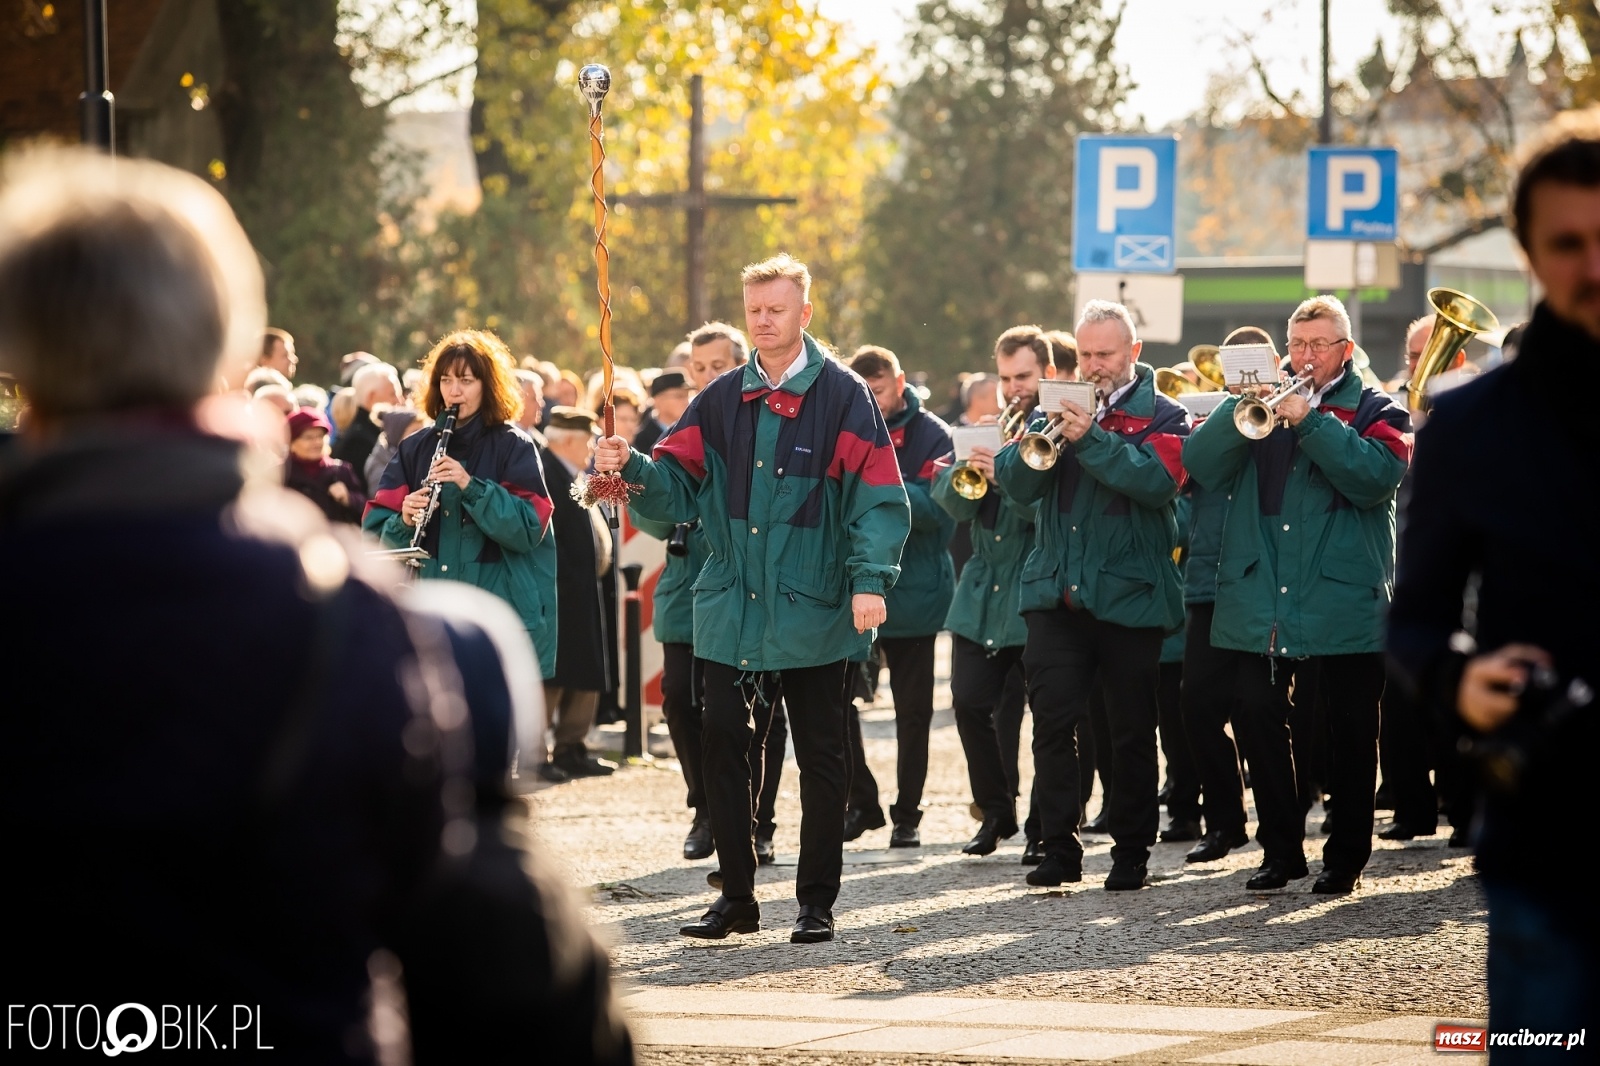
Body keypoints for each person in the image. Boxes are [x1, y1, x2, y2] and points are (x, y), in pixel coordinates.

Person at [0, 146, 631, 1064]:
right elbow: (510, 987)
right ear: (224, 344)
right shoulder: (360, 622)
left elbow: (534, 527)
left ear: (20, 359)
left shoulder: (502, 457)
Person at [593, 254, 910, 944]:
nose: (764, 320)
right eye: (755, 310)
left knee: (822, 756)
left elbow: (879, 497)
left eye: (776, 309)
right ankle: (736, 897)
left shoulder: (845, 396)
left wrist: (869, 580)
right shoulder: (718, 399)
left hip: (816, 604)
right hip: (731, 603)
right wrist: (632, 467)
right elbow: (675, 490)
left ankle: (816, 903)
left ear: (805, 312)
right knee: (722, 749)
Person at [1390, 109, 1600, 1054]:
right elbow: (1414, 622)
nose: (1592, 265)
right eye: (1566, 244)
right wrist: (1459, 680)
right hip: (1547, 832)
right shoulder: (1469, 425)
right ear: (1527, 252)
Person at [1185, 294, 1409, 896]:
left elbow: (1373, 479)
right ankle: (1280, 851)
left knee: (1351, 731)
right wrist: (1238, 406)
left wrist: (1309, 421)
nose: (1305, 356)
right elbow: (1200, 465)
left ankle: (1345, 859)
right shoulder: (1257, 404)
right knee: (1255, 715)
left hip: (1342, 593)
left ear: (1346, 349)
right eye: (1298, 344)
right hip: (1263, 592)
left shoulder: (1378, 409)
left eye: (1318, 345)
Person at [994, 302, 1189, 891]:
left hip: (1130, 595)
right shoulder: (1054, 406)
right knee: (1053, 723)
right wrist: (1036, 438)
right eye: (1085, 354)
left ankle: (1132, 851)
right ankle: (1059, 848)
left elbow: (1157, 485)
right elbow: (1016, 485)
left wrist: (1094, 438)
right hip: (1056, 592)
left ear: (1133, 352)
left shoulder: (1165, 414)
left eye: (1105, 354)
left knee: (1130, 730)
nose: (1094, 365)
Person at [630, 322, 789, 865]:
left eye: (718, 366)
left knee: (760, 713)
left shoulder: (764, 414)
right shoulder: (685, 427)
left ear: (743, 363)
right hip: (687, 585)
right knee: (679, 698)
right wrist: (640, 484)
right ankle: (705, 809)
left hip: (750, 588)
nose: (705, 377)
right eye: (698, 369)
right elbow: (653, 518)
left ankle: (758, 821)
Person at [364, 330, 558, 682]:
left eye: (466, 381)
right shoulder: (414, 449)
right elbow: (374, 538)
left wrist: (471, 487)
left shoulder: (515, 446)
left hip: (495, 618)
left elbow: (529, 528)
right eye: (446, 380)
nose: (454, 391)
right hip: (428, 615)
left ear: (488, 386)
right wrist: (404, 520)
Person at [932, 326, 1053, 858]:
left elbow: (1050, 513)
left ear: (1048, 373)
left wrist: (1004, 475)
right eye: (1005, 378)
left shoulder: (1056, 429)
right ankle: (996, 810)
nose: (1013, 388)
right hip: (981, 592)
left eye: (1023, 376)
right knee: (967, 701)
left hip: (1034, 588)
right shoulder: (993, 427)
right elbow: (952, 505)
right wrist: (969, 462)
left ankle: (1044, 825)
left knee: (1049, 718)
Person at [843, 345, 955, 848]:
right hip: (854, 592)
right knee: (838, 705)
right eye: (864, 392)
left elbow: (940, 511)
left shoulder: (934, 434)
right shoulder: (847, 425)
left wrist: (881, 487)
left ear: (901, 382)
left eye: (880, 390)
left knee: (913, 714)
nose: (873, 400)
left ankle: (908, 814)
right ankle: (863, 803)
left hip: (915, 594)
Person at [536, 406, 619, 781]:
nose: (590, 449)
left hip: (580, 589)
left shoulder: (568, 471)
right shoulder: (545, 472)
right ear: (567, 440)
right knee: (553, 676)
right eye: (587, 441)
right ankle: (537, 755)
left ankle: (572, 748)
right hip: (559, 591)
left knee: (583, 671)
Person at [285, 408, 366, 523]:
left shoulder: (340, 471)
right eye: (308, 437)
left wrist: (349, 498)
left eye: (320, 436)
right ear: (291, 442)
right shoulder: (281, 473)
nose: (317, 442)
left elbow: (366, 510)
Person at [333, 361, 403, 485]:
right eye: (393, 394)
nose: (399, 401)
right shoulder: (359, 440)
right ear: (372, 397)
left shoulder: (367, 431)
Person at [364, 404, 428, 498]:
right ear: (397, 434)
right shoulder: (379, 465)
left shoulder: (418, 458)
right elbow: (385, 500)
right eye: (415, 432)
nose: (421, 437)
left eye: (422, 431)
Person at [634, 369, 690, 453]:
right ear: (658, 401)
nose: (686, 402)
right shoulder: (640, 441)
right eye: (679, 396)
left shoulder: (694, 431)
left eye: (688, 396)